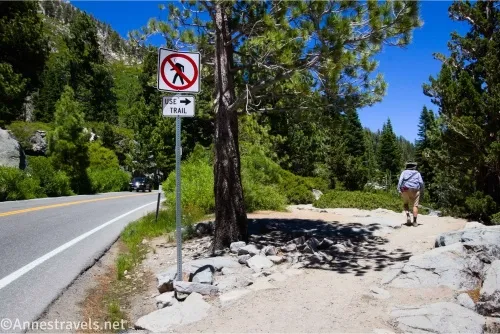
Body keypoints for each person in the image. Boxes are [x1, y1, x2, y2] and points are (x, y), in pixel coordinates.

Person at [397, 162, 424, 226]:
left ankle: (408, 216)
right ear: (414, 167)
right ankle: (414, 222)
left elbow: (400, 181)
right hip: (415, 190)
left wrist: (399, 189)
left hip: (405, 189)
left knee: (406, 203)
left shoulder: (404, 172)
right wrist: (421, 190)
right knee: (415, 205)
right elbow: (421, 183)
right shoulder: (417, 173)